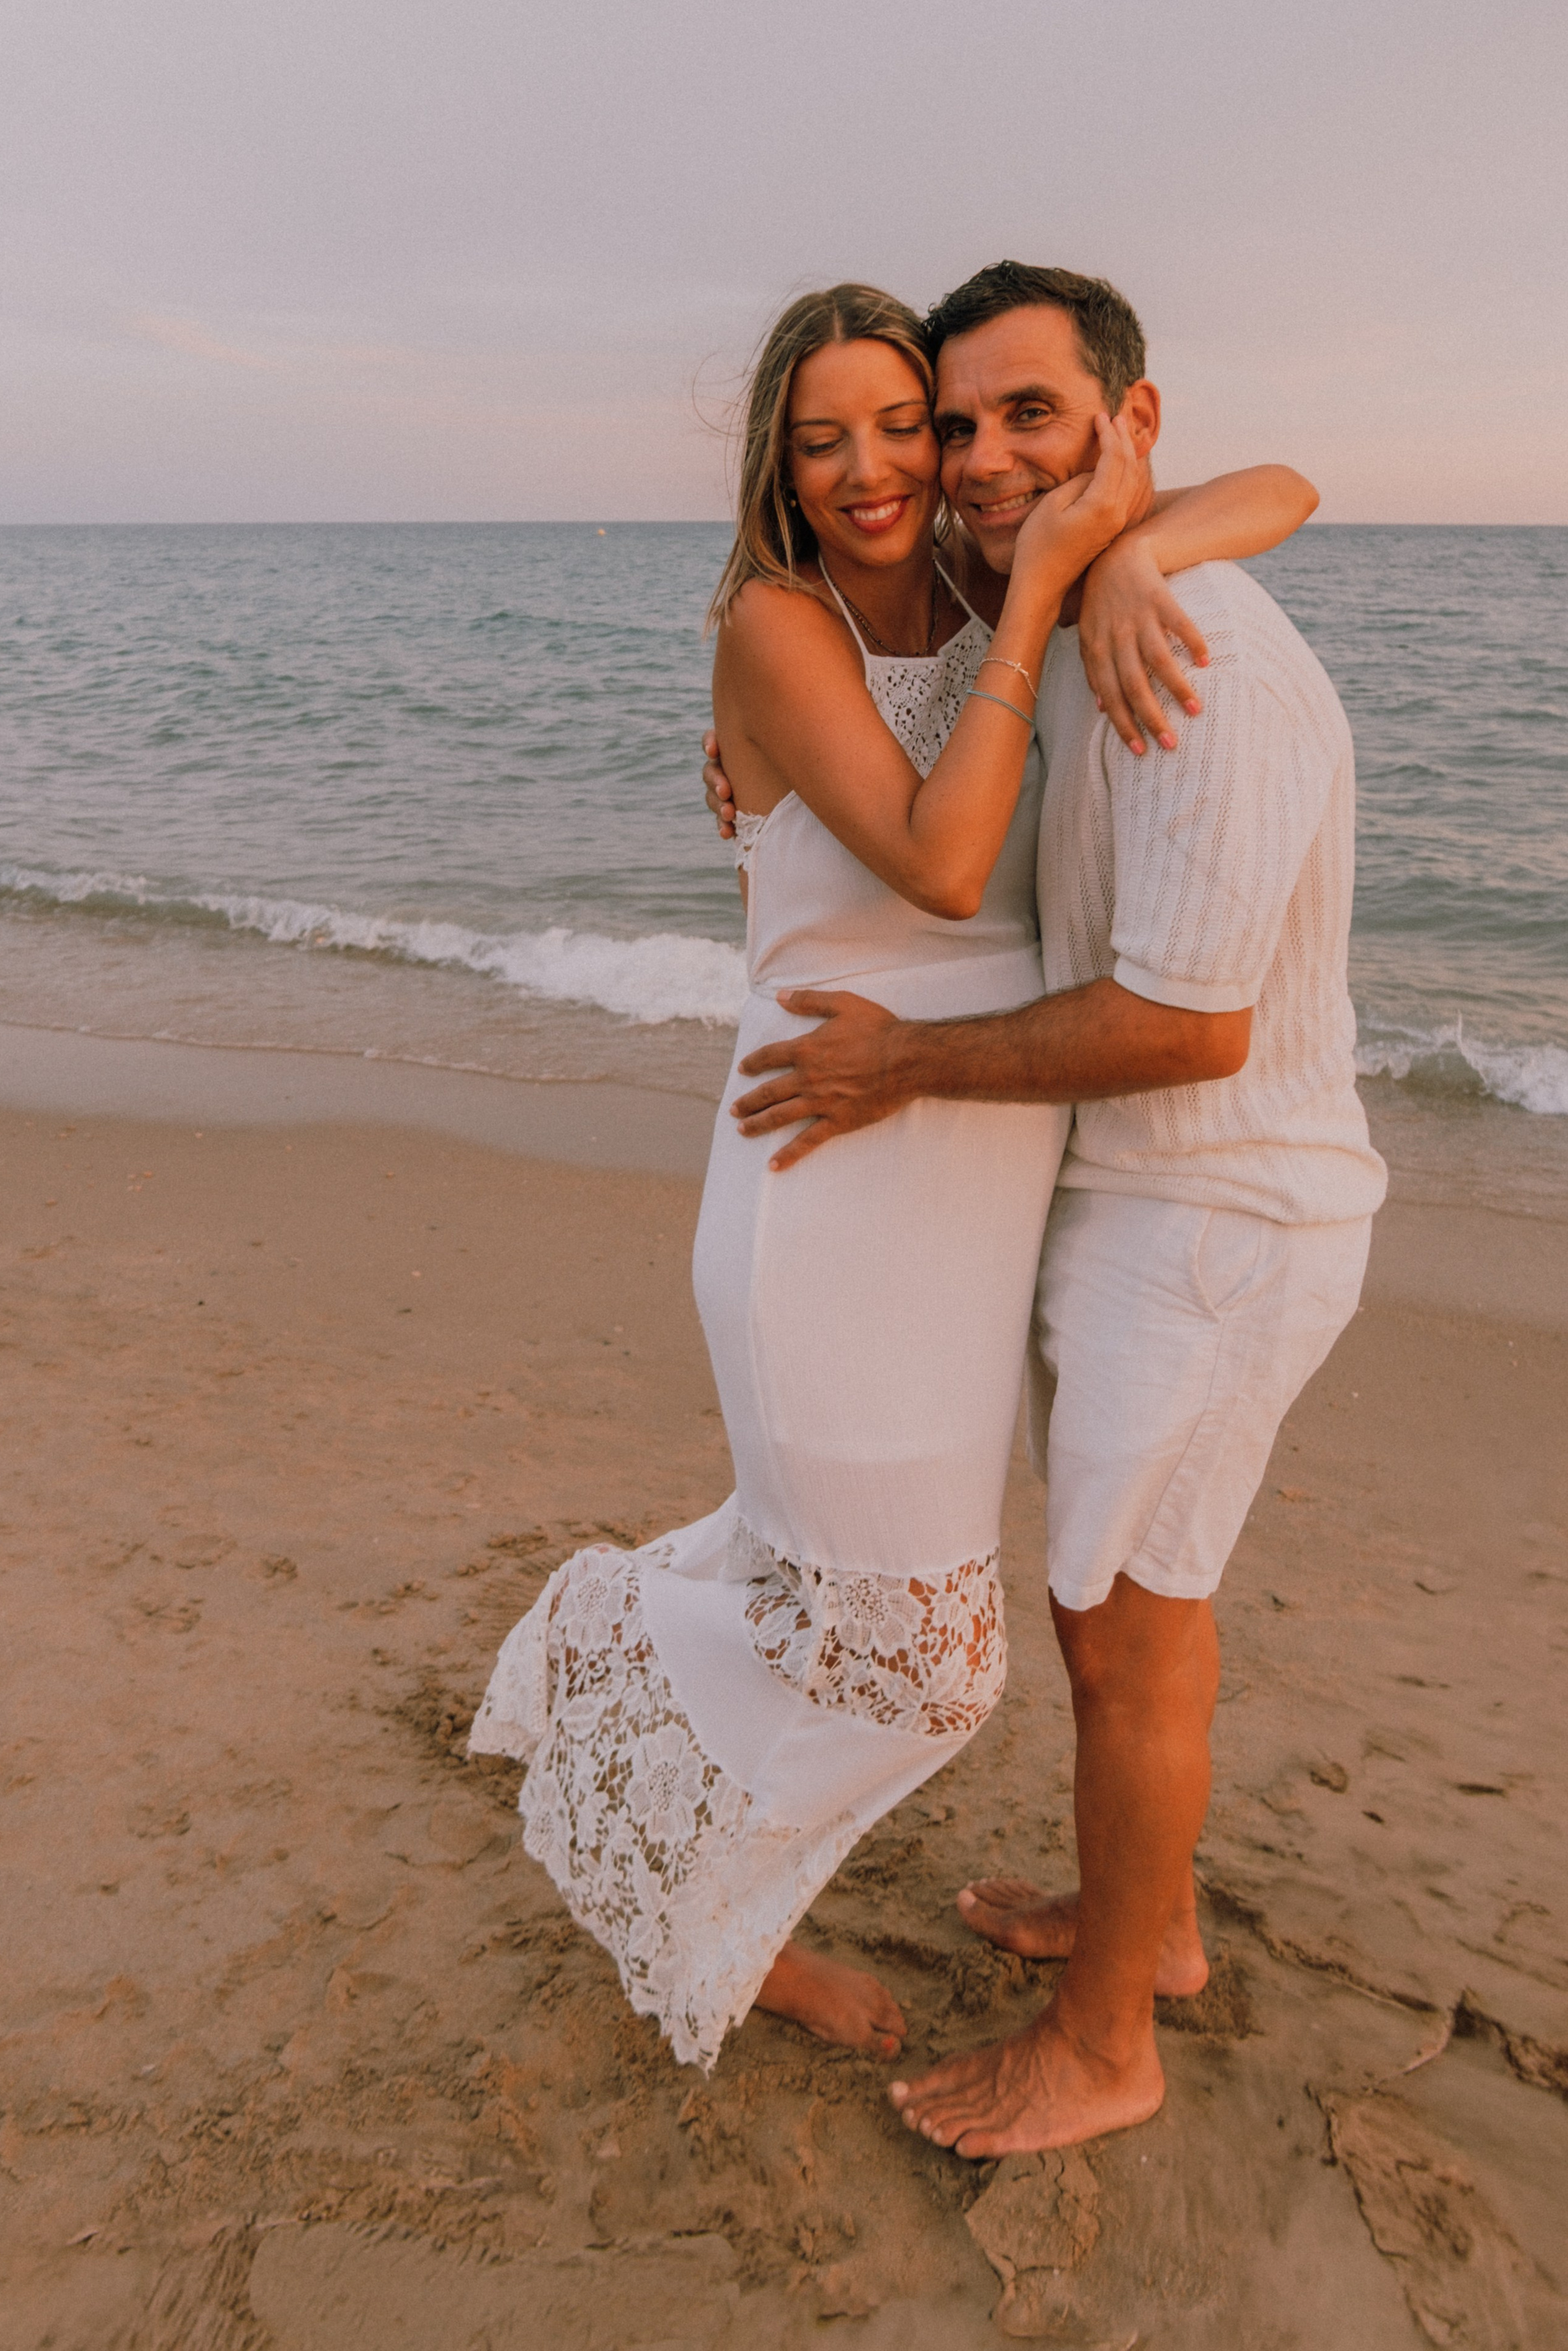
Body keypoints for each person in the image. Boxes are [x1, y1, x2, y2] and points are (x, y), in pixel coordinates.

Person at [472, 282, 1315, 2074]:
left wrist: (1137, 565)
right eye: (823, 437)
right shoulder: (780, 626)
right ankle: (632, 1706)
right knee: (927, 1658)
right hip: (828, 1163)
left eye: (903, 428)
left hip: (974, 1183)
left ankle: (666, 1766)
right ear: (776, 460)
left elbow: (1291, 486)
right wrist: (1047, 605)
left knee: (835, 1602)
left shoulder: (981, 574)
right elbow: (945, 866)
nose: (876, 469)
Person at [720, 262, 1387, 2153]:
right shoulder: (1087, 586)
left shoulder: (1200, 650)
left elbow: (1186, 1025)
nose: (981, 457)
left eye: (1036, 415)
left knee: (1121, 1628)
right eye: (963, 419)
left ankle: (1108, 2041)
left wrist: (907, 1067)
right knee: (1137, 1614)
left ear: (1130, 424)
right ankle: (1143, 1924)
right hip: (1143, 1208)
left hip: (1216, 1214)